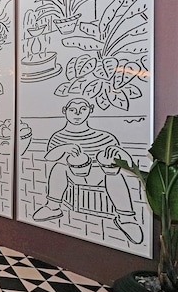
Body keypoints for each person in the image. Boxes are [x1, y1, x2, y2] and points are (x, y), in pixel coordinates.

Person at [32, 98, 143, 244]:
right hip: (72, 174)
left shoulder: (104, 137)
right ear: (65, 111)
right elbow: (49, 157)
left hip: (99, 175)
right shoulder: (59, 136)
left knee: (113, 174)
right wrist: (63, 149)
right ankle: (53, 207)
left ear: (90, 110)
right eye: (72, 109)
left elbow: (127, 162)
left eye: (82, 109)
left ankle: (126, 218)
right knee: (59, 167)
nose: (77, 113)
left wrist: (116, 152)